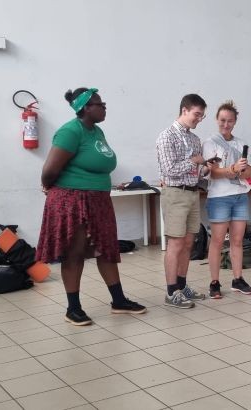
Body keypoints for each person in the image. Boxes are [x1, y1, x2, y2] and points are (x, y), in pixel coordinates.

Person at [36, 87, 146, 325]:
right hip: (73, 200)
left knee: (106, 249)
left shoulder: (96, 131)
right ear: (85, 108)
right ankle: (73, 309)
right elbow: (49, 170)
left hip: (98, 200)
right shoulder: (70, 132)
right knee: (74, 253)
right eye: (99, 104)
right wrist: (48, 186)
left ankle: (119, 301)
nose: (104, 107)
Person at [156, 94, 209, 308]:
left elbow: (196, 171)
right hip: (175, 193)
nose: (199, 119)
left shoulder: (195, 139)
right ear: (184, 110)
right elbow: (169, 170)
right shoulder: (166, 136)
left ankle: (182, 285)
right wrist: (194, 161)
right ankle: (171, 292)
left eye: (202, 116)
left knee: (188, 242)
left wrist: (206, 168)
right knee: (176, 243)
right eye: (197, 114)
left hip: (193, 193)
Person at [201, 100, 251, 298]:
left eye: (230, 121)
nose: (226, 124)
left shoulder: (241, 143)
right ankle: (214, 282)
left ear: (235, 122)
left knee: (237, 240)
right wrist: (232, 169)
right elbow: (213, 173)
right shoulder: (210, 143)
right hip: (219, 197)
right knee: (217, 241)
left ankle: (237, 279)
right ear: (217, 120)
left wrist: (242, 169)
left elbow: (249, 172)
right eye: (222, 120)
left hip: (240, 195)